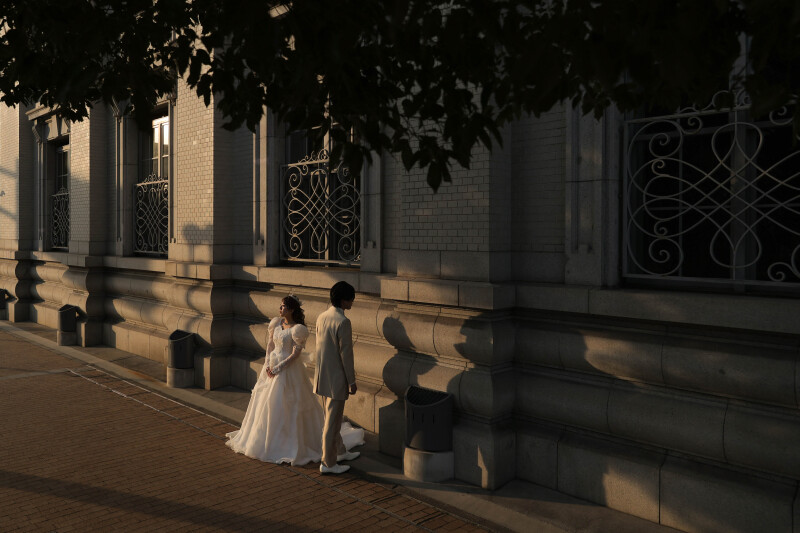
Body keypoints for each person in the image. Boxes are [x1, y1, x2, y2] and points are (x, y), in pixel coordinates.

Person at [226, 295, 363, 465]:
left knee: (293, 405)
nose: (280, 309)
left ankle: (305, 445)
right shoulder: (276, 323)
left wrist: (277, 368)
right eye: (280, 306)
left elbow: (295, 354)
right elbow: (270, 345)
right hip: (271, 368)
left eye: (283, 306)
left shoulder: (298, 329)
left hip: (288, 370)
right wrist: (268, 363)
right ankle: (268, 441)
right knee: (267, 404)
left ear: (291, 309)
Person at [314, 281, 360, 474]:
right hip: (336, 380)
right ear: (344, 300)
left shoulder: (321, 316)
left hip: (322, 376)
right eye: (351, 299)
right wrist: (352, 380)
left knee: (331, 419)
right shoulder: (343, 322)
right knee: (331, 423)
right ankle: (328, 463)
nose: (352, 303)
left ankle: (339, 451)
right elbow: (346, 355)